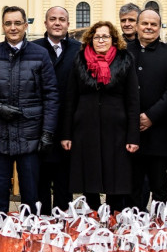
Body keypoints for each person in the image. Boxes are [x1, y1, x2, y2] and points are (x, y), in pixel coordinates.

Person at [0, 6, 58, 213]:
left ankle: (29, 238)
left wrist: (47, 132)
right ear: (2, 26)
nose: (13, 28)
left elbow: (51, 95)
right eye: (8, 23)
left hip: (30, 135)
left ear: (25, 25)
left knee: (31, 193)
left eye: (17, 23)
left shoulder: (40, 55)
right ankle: (0, 236)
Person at [59, 21, 140, 209]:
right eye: (97, 37)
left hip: (117, 128)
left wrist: (133, 136)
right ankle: (93, 219)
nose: (101, 40)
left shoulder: (125, 58)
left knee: (116, 178)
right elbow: (70, 98)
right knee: (89, 177)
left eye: (105, 36)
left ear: (113, 39)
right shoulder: (80, 59)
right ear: (90, 39)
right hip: (85, 127)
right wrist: (66, 134)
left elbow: (133, 100)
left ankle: (114, 218)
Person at [126, 8, 167, 211]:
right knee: (132, 186)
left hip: (159, 131)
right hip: (129, 132)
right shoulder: (123, 52)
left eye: (154, 24)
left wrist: (151, 116)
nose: (149, 27)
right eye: (144, 23)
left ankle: (160, 231)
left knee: (159, 186)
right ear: (136, 26)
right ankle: (132, 229)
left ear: (160, 28)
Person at [32, 6, 82, 212]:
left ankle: (63, 228)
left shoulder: (79, 49)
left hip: (69, 125)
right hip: (39, 124)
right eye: (53, 19)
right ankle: (42, 228)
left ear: (68, 24)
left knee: (65, 182)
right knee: (40, 181)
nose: (57, 23)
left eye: (62, 19)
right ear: (45, 23)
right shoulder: (33, 48)